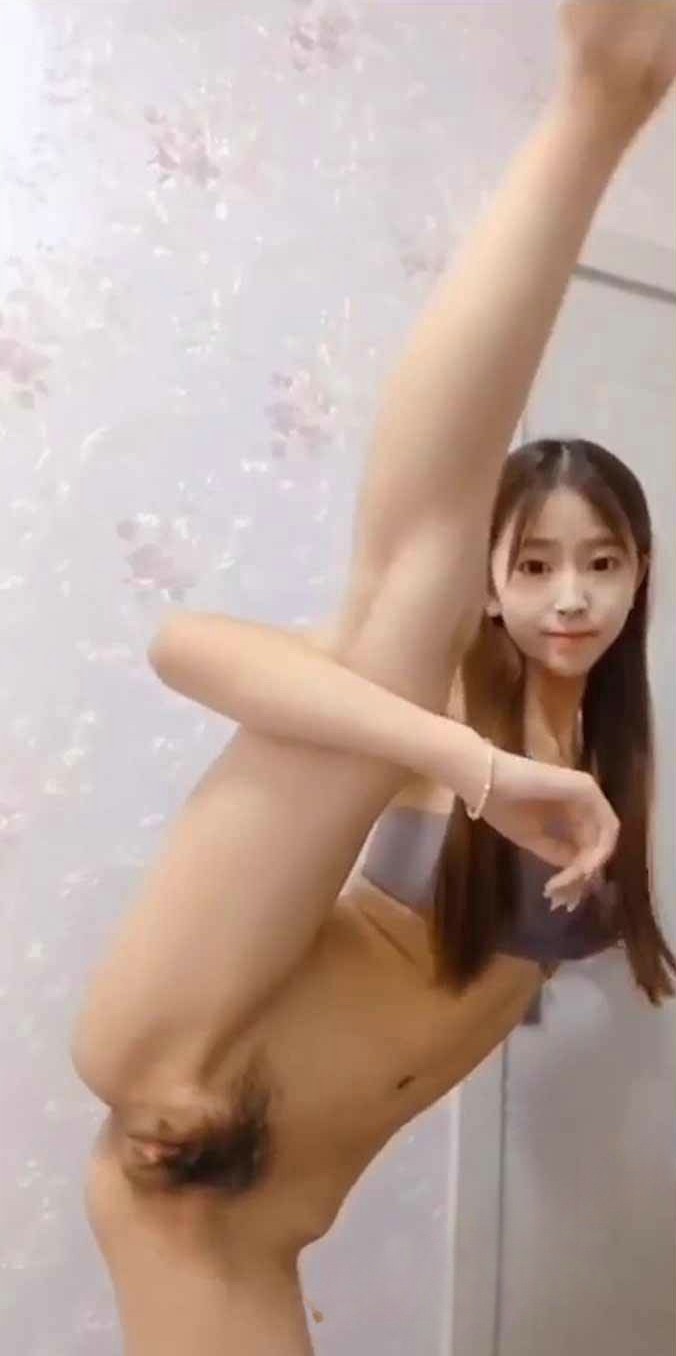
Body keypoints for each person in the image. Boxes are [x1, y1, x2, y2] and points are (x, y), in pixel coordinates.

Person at [70, 6, 676, 1354]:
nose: (570, 596)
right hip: (190, 1093)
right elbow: (186, 649)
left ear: (643, 577)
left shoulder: (612, 753)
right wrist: (469, 761)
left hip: (255, 1220)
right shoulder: (453, 703)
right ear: (496, 585)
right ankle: (604, 99)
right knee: (396, 603)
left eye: (603, 563)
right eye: (533, 564)